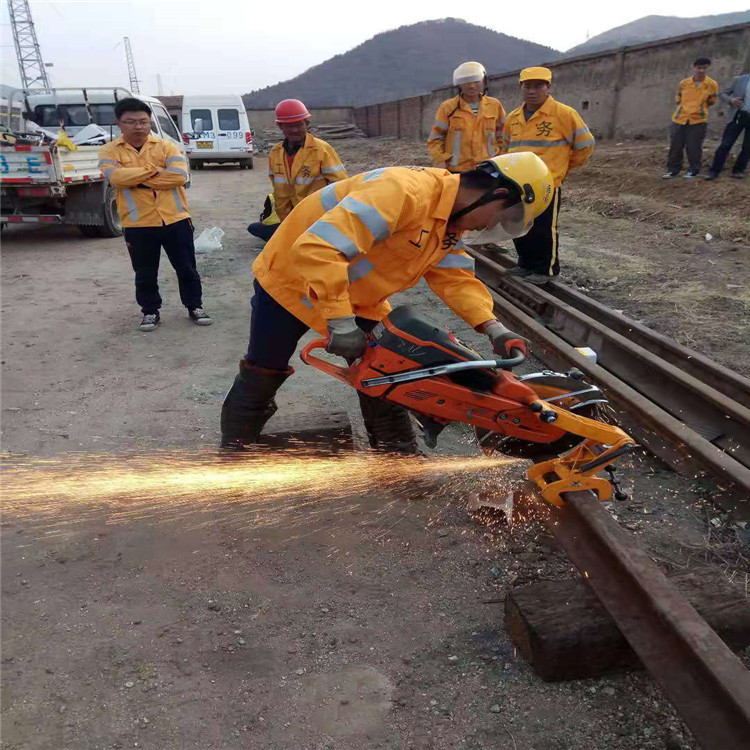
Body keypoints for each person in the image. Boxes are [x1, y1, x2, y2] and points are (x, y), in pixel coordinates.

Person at [221, 153, 553, 453]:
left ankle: (396, 458)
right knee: (264, 367)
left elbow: (455, 277)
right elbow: (318, 249)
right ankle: (235, 450)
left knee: (388, 370)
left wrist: (493, 327)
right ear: (496, 194)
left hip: (358, 296)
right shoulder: (404, 192)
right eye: (497, 218)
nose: (487, 226)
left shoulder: (448, 221)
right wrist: (339, 321)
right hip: (290, 278)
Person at [98, 98, 211, 332]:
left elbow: (179, 176)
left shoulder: (167, 147)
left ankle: (195, 306)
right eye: (131, 122)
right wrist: (154, 171)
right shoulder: (109, 151)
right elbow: (116, 179)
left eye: (143, 121)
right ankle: (150, 311)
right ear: (119, 123)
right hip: (138, 223)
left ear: (150, 122)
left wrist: (135, 179)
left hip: (175, 219)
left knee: (187, 268)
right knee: (145, 272)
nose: (138, 127)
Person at [501, 67, 594, 285]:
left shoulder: (564, 114)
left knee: (543, 228)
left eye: (537, 86)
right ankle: (525, 264)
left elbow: (585, 145)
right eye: (527, 86)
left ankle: (547, 269)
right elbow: (506, 147)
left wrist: (562, 169)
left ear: (548, 88)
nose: (532, 91)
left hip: (546, 184)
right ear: (521, 88)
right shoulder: (513, 117)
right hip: (518, 183)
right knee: (519, 224)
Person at [247, 99, 348, 243]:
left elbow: (341, 186)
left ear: (306, 124)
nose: (294, 130)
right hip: (290, 219)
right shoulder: (276, 153)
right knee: (254, 228)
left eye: (298, 125)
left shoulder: (321, 150)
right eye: (289, 126)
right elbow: (278, 191)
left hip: (318, 219)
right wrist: (286, 221)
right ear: (280, 126)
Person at [427, 61, 506, 172]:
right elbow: (435, 139)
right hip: (457, 170)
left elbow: (504, 136)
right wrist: (440, 161)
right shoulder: (448, 107)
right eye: (466, 81)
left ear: (483, 81)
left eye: (476, 81)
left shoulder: (494, 105)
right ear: (459, 84)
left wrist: (502, 158)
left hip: (489, 168)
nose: (472, 86)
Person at [663, 58, 719, 179]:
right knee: (676, 146)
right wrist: (684, 109)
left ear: (708, 69)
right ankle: (673, 170)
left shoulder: (712, 84)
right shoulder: (684, 83)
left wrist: (699, 109)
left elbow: (712, 101)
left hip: (698, 121)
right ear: (694, 68)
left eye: (704, 68)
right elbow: (678, 98)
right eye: (699, 68)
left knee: (694, 147)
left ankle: (693, 170)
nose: (701, 70)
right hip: (680, 118)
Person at [705, 70, 750, 180]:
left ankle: (738, 170)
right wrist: (732, 100)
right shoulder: (740, 79)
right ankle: (714, 171)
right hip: (738, 115)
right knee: (725, 144)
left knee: (748, 147)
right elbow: (723, 93)